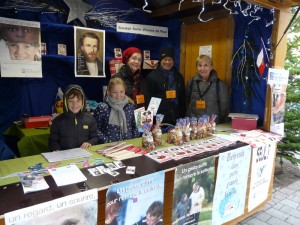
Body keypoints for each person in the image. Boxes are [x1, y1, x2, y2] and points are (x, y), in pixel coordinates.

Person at [48, 84, 98, 151]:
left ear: (83, 102)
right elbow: (53, 141)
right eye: (71, 101)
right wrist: (57, 150)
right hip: (65, 157)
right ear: (66, 102)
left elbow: (95, 137)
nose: (75, 104)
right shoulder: (57, 121)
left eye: (78, 101)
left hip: (85, 156)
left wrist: (89, 142)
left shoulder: (90, 119)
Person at [147, 48, 186, 125]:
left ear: (173, 61)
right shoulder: (152, 76)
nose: (167, 62)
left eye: (170, 59)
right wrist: (152, 119)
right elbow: (150, 99)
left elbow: (182, 98)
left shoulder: (179, 76)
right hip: (160, 117)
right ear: (160, 61)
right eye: (165, 59)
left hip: (176, 116)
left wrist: (183, 115)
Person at [94, 77, 139, 143]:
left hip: (128, 146)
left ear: (125, 91)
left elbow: (136, 126)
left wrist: (134, 140)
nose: (118, 95)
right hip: (108, 147)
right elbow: (95, 128)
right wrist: (105, 140)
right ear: (109, 92)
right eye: (114, 92)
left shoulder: (130, 107)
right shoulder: (102, 108)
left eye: (121, 92)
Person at [186, 55, 230, 124]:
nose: (202, 68)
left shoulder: (220, 85)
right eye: (200, 65)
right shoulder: (191, 82)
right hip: (193, 125)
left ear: (211, 67)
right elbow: (187, 101)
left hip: (210, 125)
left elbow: (223, 108)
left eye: (206, 65)